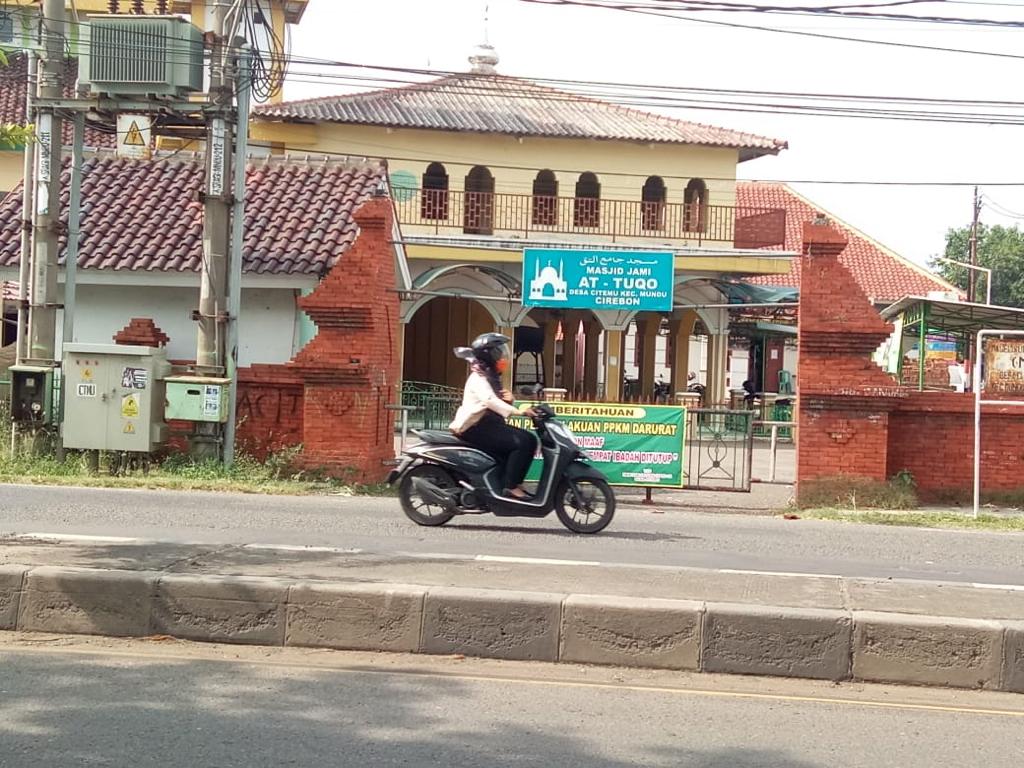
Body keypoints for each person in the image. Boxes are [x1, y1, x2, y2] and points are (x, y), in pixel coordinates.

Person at [450, 333, 537, 499]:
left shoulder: (490, 376)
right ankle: (510, 487)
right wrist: (519, 411)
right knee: (521, 443)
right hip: (475, 428)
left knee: (530, 439)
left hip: (489, 425)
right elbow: (490, 401)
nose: (503, 357)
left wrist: (511, 401)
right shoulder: (478, 378)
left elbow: (498, 403)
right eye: (499, 353)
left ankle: (512, 482)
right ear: (488, 355)